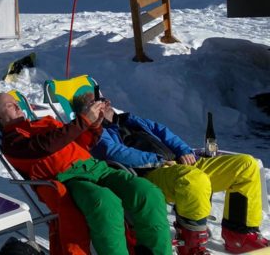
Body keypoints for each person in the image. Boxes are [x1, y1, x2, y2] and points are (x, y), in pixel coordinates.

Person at [73, 92, 269, 254]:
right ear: (88, 111)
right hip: (151, 173)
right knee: (193, 180)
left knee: (246, 165)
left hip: (179, 163)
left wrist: (184, 150)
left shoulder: (128, 119)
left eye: (105, 98)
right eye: (97, 101)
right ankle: (192, 245)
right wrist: (157, 160)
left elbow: (162, 131)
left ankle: (240, 235)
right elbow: (113, 152)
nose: (106, 102)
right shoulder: (94, 132)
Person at [0, 92, 172, 255]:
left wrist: (94, 125)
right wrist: (83, 120)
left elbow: (81, 141)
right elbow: (46, 145)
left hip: (97, 168)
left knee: (148, 192)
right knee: (105, 203)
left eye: (16, 102)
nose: (16, 106)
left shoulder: (45, 122)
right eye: (8, 105)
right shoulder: (13, 142)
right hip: (70, 179)